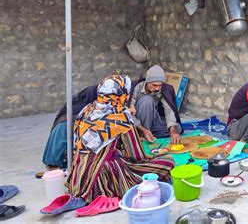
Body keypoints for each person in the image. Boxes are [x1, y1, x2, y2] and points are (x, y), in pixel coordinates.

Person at [66, 74, 174, 202]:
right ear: (123, 95)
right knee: (167, 161)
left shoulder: (87, 110)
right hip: (105, 181)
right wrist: (154, 156)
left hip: (79, 180)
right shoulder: (120, 118)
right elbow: (137, 156)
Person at [129, 65, 183, 144]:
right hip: (136, 123)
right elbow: (128, 114)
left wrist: (172, 130)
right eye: (154, 85)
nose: (157, 88)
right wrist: (143, 129)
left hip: (152, 120)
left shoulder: (164, 89)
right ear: (147, 82)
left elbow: (169, 111)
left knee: (177, 128)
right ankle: (142, 133)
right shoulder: (136, 88)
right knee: (147, 100)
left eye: (160, 85)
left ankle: (148, 133)